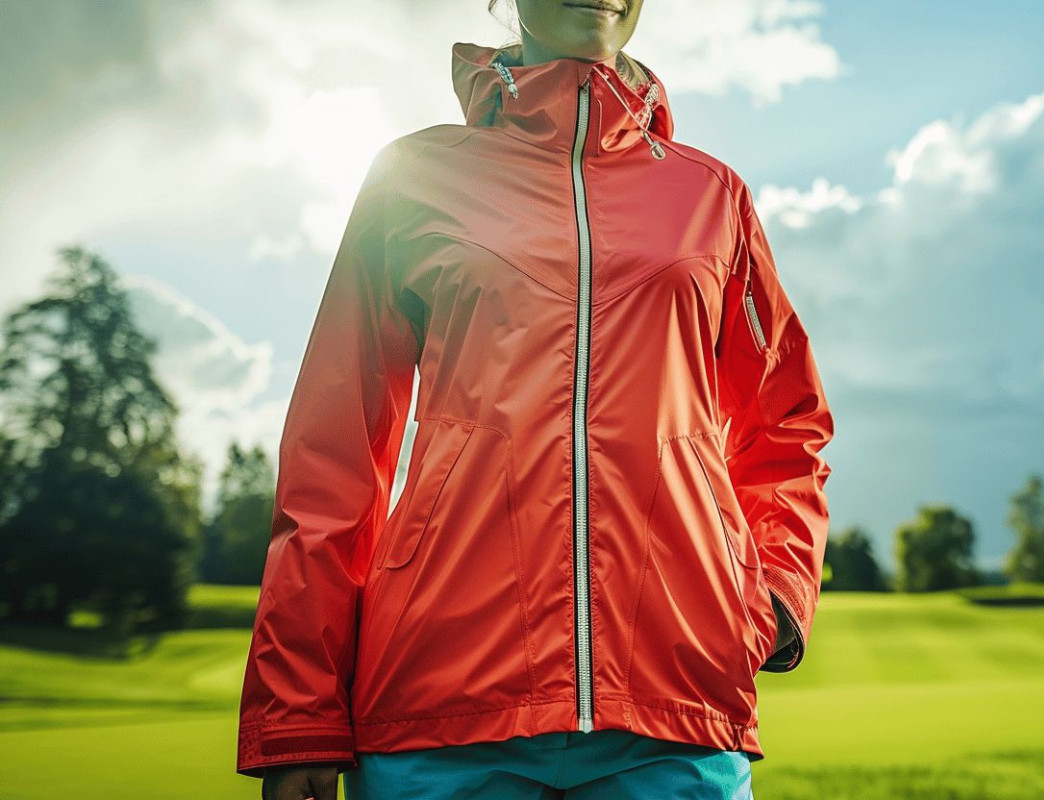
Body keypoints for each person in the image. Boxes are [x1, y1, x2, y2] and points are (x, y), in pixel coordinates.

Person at [236, 0, 835, 797]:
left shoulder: (712, 196)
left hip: (674, 712)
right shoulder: (411, 180)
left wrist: (774, 596)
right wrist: (298, 715)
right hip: (440, 710)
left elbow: (785, 422)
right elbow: (333, 453)